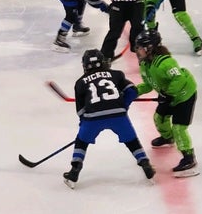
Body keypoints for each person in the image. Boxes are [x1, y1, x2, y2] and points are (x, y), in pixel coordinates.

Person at [63, 49, 156, 189]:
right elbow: (132, 91)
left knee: (81, 142)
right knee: (132, 141)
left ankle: (74, 170)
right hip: (118, 116)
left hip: (92, 118)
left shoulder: (80, 82)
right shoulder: (116, 74)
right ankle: (145, 163)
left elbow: (81, 111)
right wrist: (123, 106)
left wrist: (84, 125)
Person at [134, 30, 200, 178]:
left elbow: (179, 79)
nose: (136, 50)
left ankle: (189, 158)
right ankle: (167, 137)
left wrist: (168, 94)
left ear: (149, 48)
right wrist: (132, 92)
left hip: (184, 96)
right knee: (159, 118)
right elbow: (148, 85)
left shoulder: (165, 63)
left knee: (179, 129)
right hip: (169, 95)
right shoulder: (145, 65)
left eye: (139, 47)